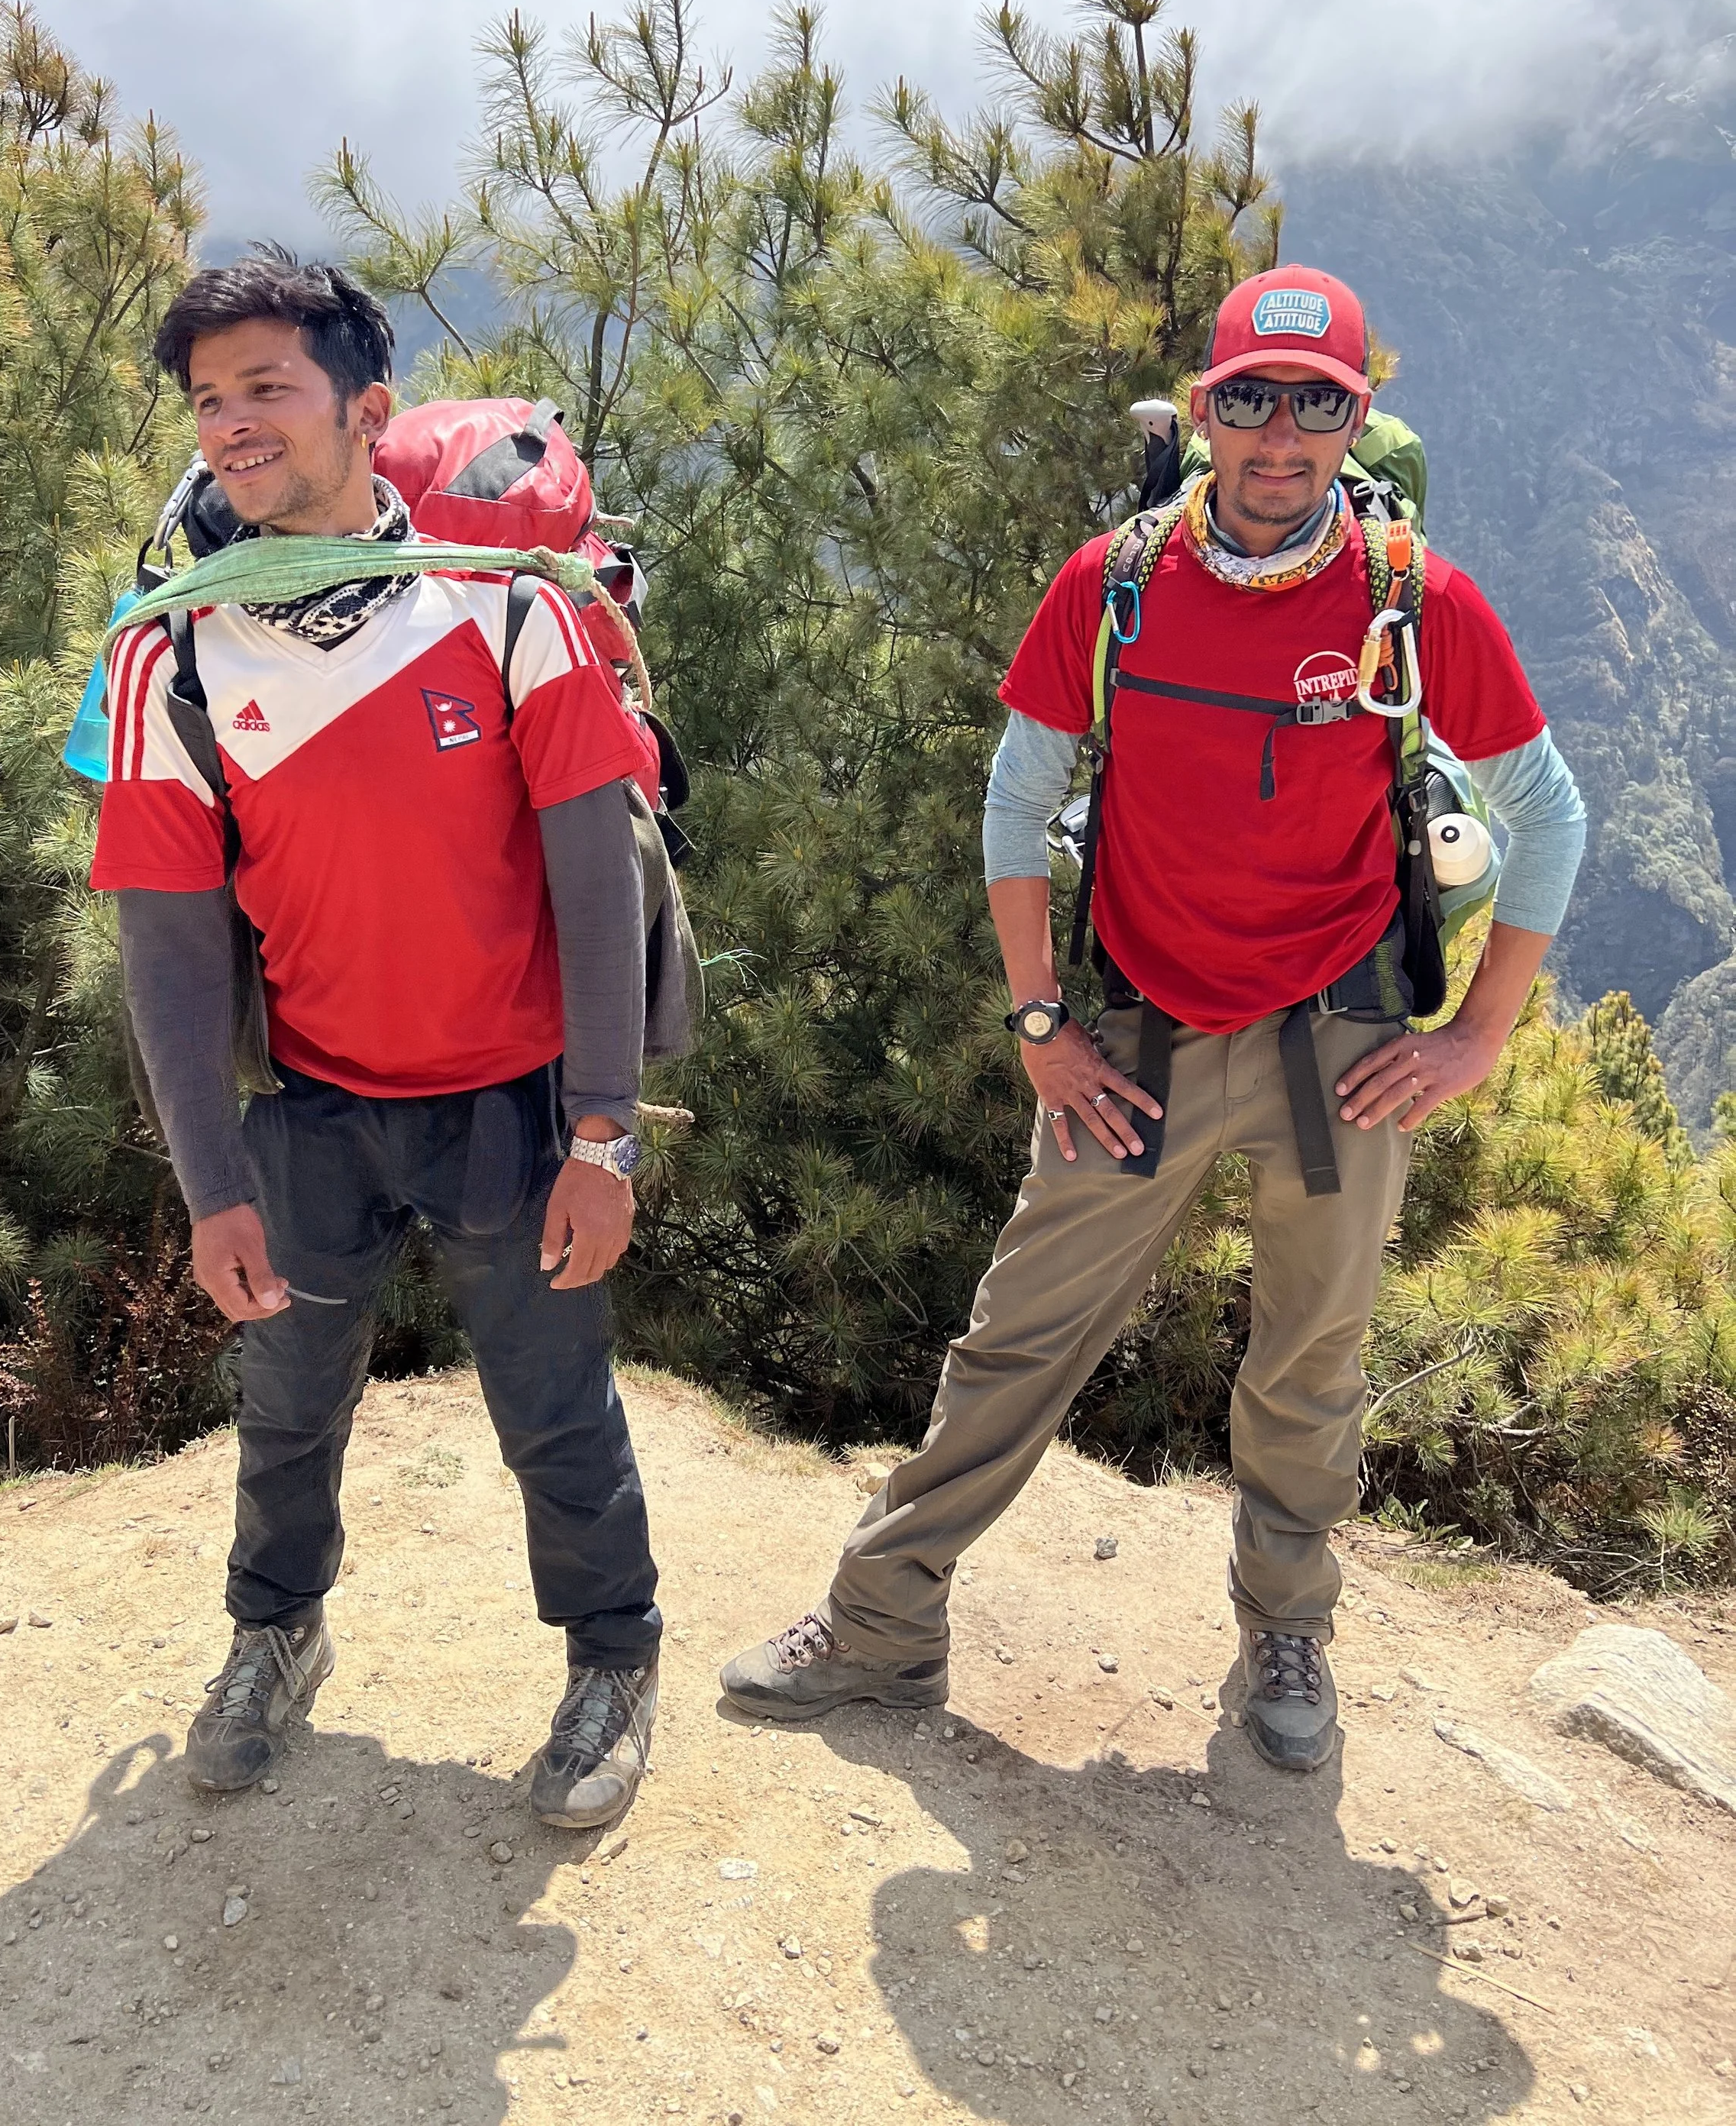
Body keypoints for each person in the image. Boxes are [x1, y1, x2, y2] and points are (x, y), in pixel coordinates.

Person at [720, 263, 1586, 1772]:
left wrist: (1475, 1038)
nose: (1279, 434)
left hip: (1338, 1044)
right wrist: (1037, 1021)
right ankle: (879, 1625)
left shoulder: (1409, 599)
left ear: (1354, 421)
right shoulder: (1114, 583)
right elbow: (1016, 800)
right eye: (1250, 397)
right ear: (1203, 411)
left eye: (1315, 404)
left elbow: (1550, 814)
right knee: (1019, 1338)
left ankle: (1286, 1634)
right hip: (1135, 1038)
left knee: (1309, 1360)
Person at [90, 249, 661, 1827]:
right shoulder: (174, 650)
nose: (231, 422)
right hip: (313, 1110)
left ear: (365, 406)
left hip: (513, 1104)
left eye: (268, 386)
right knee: (286, 1401)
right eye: (209, 398)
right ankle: (274, 1636)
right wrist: (211, 1185)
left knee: (554, 1406)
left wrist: (604, 1133)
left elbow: (595, 884)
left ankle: (614, 1659)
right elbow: (167, 941)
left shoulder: (504, 609)